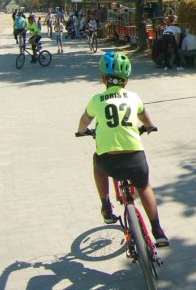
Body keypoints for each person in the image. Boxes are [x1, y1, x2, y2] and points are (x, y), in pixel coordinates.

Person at [75, 51, 169, 247]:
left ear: (103, 79)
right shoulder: (134, 97)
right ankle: (157, 230)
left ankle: (106, 206)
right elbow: (145, 117)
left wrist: (81, 131)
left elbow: (85, 120)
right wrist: (150, 126)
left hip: (108, 162)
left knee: (97, 162)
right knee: (144, 187)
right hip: (134, 159)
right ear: (126, 80)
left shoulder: (97, 99)